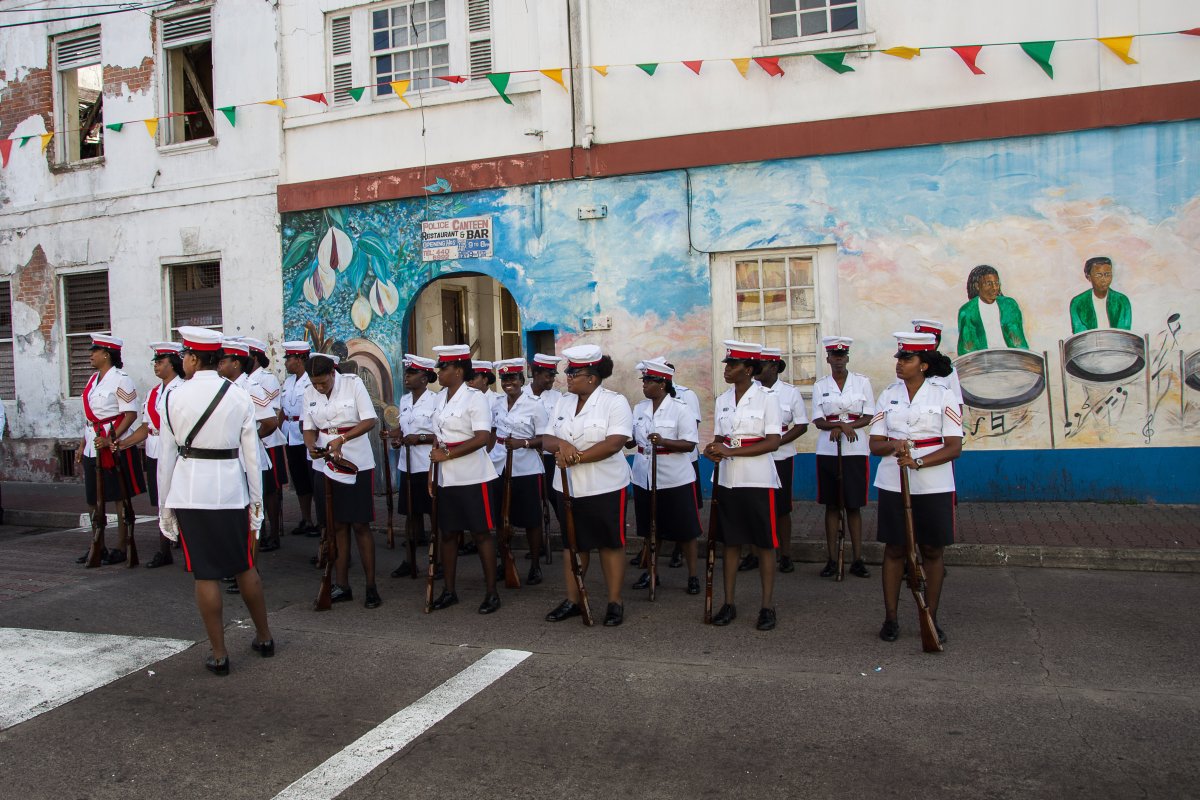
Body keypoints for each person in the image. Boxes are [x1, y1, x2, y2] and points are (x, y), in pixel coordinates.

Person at [157, 326, 273, 676]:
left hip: (190, 490)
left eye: (184, 357)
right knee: (244, 565)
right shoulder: (238, 395)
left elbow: (167, 455)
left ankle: (220, 654)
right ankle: (265, 637)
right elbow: (251, 454)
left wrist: (165, 505)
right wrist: (257, 502)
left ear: (192, 358)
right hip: (230, 489)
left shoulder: (173, 396)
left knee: (205, 574)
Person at [868, 332, 963, 645]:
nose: (900, 364)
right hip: (894, 482)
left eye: (906, 359)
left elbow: (953, 447)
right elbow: (875, 443)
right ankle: (891, 618)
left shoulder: (943, 396)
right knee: (895, 549)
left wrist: (919, 463)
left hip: (933, 483)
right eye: (899, 358)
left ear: (923, 364)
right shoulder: (889, 394)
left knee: (933, 550)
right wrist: (894, 444)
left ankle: (930, 617)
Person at [541, 345, 633, 627]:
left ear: (591, 377)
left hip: (604, 485)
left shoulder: (614, 402)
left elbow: (614, 442)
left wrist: (576, 457)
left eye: (572, 372)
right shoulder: (562, 403)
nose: (567, 377)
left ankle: (615, 602)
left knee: (609, 544)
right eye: (568, 371)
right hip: (567, 486)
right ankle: (573, 599)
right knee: (572, 545)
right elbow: (546, 439)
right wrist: (563, 444)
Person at [702, 341, 782, 631]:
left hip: (758, 478)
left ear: (749, 369)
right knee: (731, 542)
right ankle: (729, 602)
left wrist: (731, 452)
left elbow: (773, 441)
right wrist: (713, 449)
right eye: (726, 364)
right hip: (727, 479)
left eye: (733, 365)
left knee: (764, 544)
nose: (727, 369)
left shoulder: (767, 398)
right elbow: (721, 438)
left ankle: (767, 606)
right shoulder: (723, 399)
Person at [426, 345, 502, 614]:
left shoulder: (474, 398)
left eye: (443, 368)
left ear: (458, 370)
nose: (439, 372)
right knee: (448, 534)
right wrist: (432, 474)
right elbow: (438, 437)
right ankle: (449, 590)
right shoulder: (439, 398)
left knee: (481, 534)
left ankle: (492, 592)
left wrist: (447, 455)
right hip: (446, 477)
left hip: (473, 475)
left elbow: (482, 438)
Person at [303, 353, 380, 608]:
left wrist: (343, 440)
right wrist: (311, 444)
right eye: (315, 383)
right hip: (324, 462)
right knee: (336, 526)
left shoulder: (352, 383)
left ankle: (370, 586)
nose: (319, 387)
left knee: (360, 525)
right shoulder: (309, 391)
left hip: (355, 459)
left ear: (333, 373)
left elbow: (370, 419)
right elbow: (308, 426)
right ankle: (342, 584)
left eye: (323, 382)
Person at [628, 358, 703, 594]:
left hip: (674, 477)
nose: (644, 384)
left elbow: (690, 443)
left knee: (686, 530)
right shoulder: (639, 408)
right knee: (651, 529)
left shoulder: (681, 409)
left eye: (649, 380)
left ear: (662, 383)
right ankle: (651, 572)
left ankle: (693, 576)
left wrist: (664, 441)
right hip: (644, 476)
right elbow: (632, 438)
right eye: (644, 380)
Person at [75, 333, 145, 565]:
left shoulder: (121, 379)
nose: (90, 355)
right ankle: (98, 543)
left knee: (118, 496)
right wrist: (82, 444)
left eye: (94, 351)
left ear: (106, 354)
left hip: (112, 444)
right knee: (94, 498)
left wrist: (110, 439)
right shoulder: (93, 379)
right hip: (92, 444)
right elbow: (90, 418)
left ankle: (122, 544)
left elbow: (130, 414)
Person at [810, 336, 874, 578]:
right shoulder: (820, 386)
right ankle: (832, 558)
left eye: (842, 356)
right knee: (831, 505)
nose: (838, 360)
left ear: (847, 358)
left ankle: (857, 558)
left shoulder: (861, 383)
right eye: (834, 356)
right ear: (828, 359)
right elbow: (818, 420)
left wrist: (848, 426)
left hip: (855, 449)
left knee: (853, 505)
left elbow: (868, 415)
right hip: (828, 449)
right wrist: (835, 427)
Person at [217, 340, 278, 593]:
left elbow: (271, 421)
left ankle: (250, 569)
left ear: (236, 362)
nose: (219, 365)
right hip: (231, 461)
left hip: (249, 461)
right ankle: (237, 566)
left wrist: (249, 440)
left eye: (223, 361)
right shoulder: (224, 388)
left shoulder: (249, 387)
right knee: (234, 517)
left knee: (250, 514)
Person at [118, 341, 185, 568]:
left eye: (161, 362)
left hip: (176, 453)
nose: (156, 366)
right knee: (161, 502)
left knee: (182, 502)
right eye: (155, 362)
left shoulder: (183, 389)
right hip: (154, 451)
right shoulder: (153, 393)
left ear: (173, 364)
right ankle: (164, 549)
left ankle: (188, 549)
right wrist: (123, 443)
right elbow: (146, 427)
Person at [491, 358, 550, 584]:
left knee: (530, 520)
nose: (508, 383)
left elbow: (545, 438)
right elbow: (492, 431)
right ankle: (504, 561)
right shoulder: (497, 403)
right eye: (504, 378)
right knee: (500, 517)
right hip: (498, 465)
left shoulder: (535, 405)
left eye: (513, 378)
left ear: (521, 380)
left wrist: (523, 443)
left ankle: (535, 565)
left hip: (525, 468)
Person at [749, 347, 808, 574]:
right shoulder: (750, 391)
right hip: (754, 455)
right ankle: (755, 554)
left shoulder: (790, 393)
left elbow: (801, 425)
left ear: (774, 368)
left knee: (782, 508)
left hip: (781, 455)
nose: (755, 371)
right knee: (755, 506)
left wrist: (777, 442)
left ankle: (785, 554)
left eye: (760, 366)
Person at [390, 353, 440, 578]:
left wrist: (420, 438)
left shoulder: (437, 401)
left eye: (412, 373)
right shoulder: (405, 400)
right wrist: (397, 436)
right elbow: (404, 427)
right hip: (407, 465)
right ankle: (409, 560)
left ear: (425, 377)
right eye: (407, 373)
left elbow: (441, 435)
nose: (407, 377)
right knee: (411, 514)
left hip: (427, 465)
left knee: (433, 514)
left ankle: (437, 560)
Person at [244, 338, 287, 551]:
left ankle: (274, 533)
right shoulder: (243, 380)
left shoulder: (266, 379)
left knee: (270, 489)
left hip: (268, 439)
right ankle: (258, 531)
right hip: (252, 443)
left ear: (254, 357)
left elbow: (272, 413)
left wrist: (256, 436)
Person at [280, 340, 318, 537]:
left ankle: (320, 520)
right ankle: (306, 519)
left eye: (289, 358)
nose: (286, 362)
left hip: (307, 433)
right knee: (300, 479)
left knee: (313, 477)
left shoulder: (312, 380)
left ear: (300, 359)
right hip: (290, 433)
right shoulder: (288, 382)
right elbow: (282, 410)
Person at [525, 353, 565, 534]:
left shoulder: (558, 399)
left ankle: (567, 535)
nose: (551, 380)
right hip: (526, 456)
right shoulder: (520, 396)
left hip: (550, 457)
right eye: (548, 375)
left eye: (553, 375)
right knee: (531, 501)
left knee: (556, 499)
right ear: (535, 373)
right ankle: (538, 542)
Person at [957, 265, 1028, 354]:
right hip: (983, 362)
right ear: (977, 286)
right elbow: (967, 348)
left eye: (996, 283)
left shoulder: (1009, 305)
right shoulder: (967, 311)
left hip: (1011, 358)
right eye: (989, 284)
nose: (994, 288)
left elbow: (1018, 340)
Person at [1069, 256, 1132, 333]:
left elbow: (1124, 333)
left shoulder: (1122, 301)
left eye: (1107, 274)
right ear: (1088, 277)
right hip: (1089, 344)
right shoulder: (1077, 302)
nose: (1103, 279)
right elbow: (1080, 334)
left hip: (1116, 344)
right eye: (1098, 275)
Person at [912, 320, 964, 409]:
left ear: (936, 342)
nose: (920, 343)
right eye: (918, 339)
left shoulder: (947, 369)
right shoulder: (907, 367)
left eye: (925, 340)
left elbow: (957, 404)